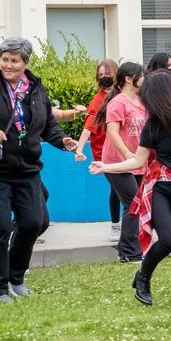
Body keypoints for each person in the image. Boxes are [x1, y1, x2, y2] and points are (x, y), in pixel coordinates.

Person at [0, 38, 78, 302]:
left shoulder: (35, 89)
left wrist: (62, 140)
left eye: (14, 61)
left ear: (25, 63)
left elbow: (47, 124)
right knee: (0, 225)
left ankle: (16, 276)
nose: (8, 65)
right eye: (4, 59)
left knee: (33, 223)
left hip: (27, 170)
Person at [90, 70, 171, 307]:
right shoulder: (155, 124)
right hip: (160, 189)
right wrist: (106, 166)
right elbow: (138, 161)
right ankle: (142, 277)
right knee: (167, 240)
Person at [95, 62, 147, 263]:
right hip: (117, 162)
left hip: (137, 161)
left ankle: (125, 250)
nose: (144, 79)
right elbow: (112, 132)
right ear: (128, 78)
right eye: (141, 75)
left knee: (136, 203)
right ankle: (131, 252)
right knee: (133, 203)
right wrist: (127, 154)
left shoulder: (141, 101)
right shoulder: (117, 103)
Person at [74, 59, 121, 242]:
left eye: (107, 74)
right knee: (118, 188)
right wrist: (79, 149)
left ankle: (134, 226)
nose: (104, 77)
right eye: (100, 75)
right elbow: (88, 128)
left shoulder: (123, 95)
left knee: (129, 189)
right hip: (106, 154)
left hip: (127, 150)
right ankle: (116, 226)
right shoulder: (98, 100)